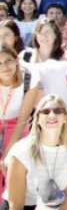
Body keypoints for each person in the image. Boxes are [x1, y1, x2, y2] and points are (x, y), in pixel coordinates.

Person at [0, 46, 35, 196]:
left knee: (12, 168)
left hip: (17, 128)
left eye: (8, 61)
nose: (5, 67)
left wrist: (6, 155)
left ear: (16, 60)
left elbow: (22, 121)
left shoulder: (29, 80)